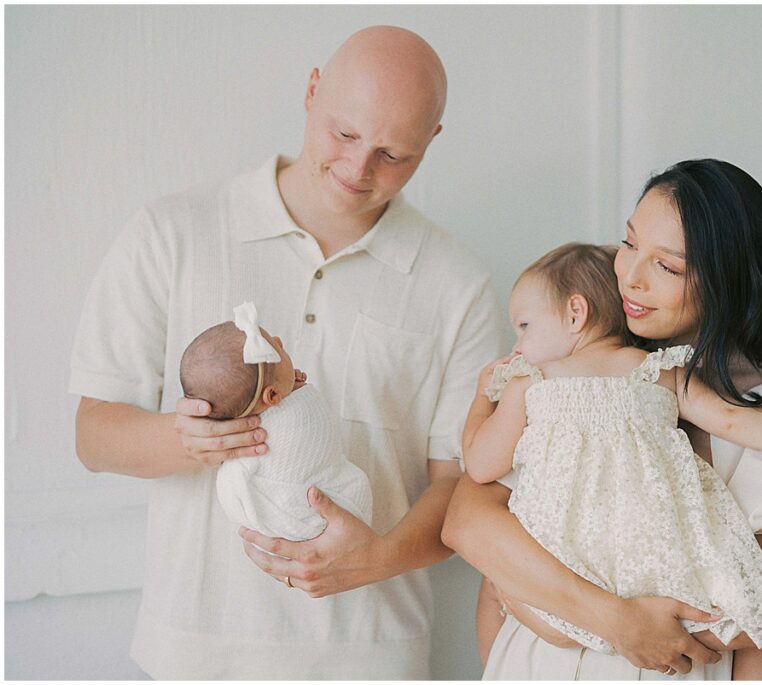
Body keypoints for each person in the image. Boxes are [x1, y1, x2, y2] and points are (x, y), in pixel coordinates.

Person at [71, 26, 503, 679]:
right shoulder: (174, 231)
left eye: (394, 154)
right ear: (310, 92)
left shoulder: (458, 282)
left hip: (373, 656)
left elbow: (458, 484)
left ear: (432, 142)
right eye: (346, 135)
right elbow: (92, 435)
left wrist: (379, 556)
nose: (360, 171)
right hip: (196, 651)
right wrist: (190, 440)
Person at [442, 159, 762, 680]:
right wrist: (611, 619)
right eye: (629, 243)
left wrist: (529, 591)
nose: (631, 278)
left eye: (667, 267)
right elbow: (467, 522)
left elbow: (744, 624)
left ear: (729, 282)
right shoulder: (575, 364)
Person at [180, 302, 372, 540]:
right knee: (354, 485)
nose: (280, 341)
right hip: (303, 507)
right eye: (277, 349)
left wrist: (292, 388)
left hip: (300, 520)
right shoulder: (263, 431)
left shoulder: (285, 404)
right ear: (272, 396)